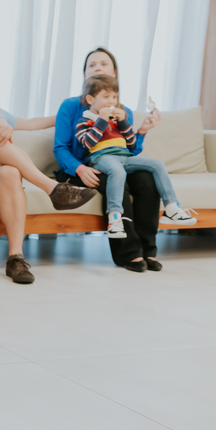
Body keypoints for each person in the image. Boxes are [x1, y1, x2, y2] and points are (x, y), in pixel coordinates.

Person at [0, 60, 97, 284]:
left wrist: (69, 114)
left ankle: (16, 257)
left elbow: (31, 124)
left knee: (11, 174)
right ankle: (52, 188)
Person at [54, 48, 165, 271]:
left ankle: (148, 250)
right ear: (85, 74)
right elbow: (61, 148)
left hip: (116, 162)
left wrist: (142, 131)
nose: (97, 68)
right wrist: (79, 169)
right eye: (91, 65)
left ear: (114, 73)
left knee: (147, 180)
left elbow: (128, 151)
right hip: (85, 168)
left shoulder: (125, 112)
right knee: (117, 181)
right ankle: (130, 254)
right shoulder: (70, 106)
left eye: (103, 64)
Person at [75, 74, 198, 238]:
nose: (111, 101)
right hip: (101, 157)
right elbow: (87, 143)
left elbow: (132, 143)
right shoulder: (85, 120)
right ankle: (115, 219)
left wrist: (127, 123)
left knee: (158, 164)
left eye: (114, 97)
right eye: (106, 97)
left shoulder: (117, 121)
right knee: (117, 171)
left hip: (125, 156)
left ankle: (172, 207)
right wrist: (102, 120)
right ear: (90, 100)